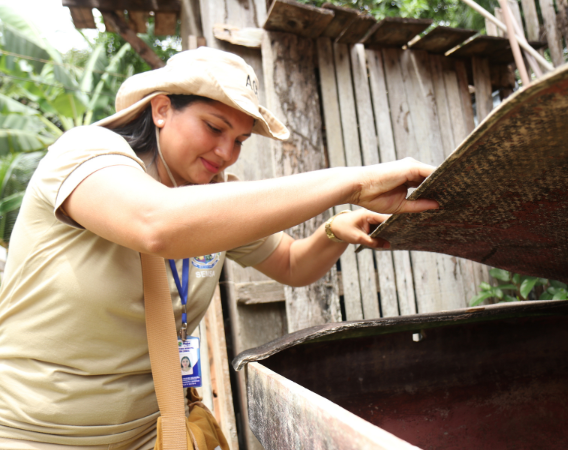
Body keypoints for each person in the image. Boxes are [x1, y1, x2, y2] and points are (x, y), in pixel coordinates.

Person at [0, 47, 437, 449]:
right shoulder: (85, 155)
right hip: (36, 436)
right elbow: (158, 223)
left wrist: (332, 233)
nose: (227, 153)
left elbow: (290, 263)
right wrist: (351, 183)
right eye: (214, 127)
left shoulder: (214, 198)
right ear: (161, 110)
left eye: (241, 141)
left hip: (153, 436)